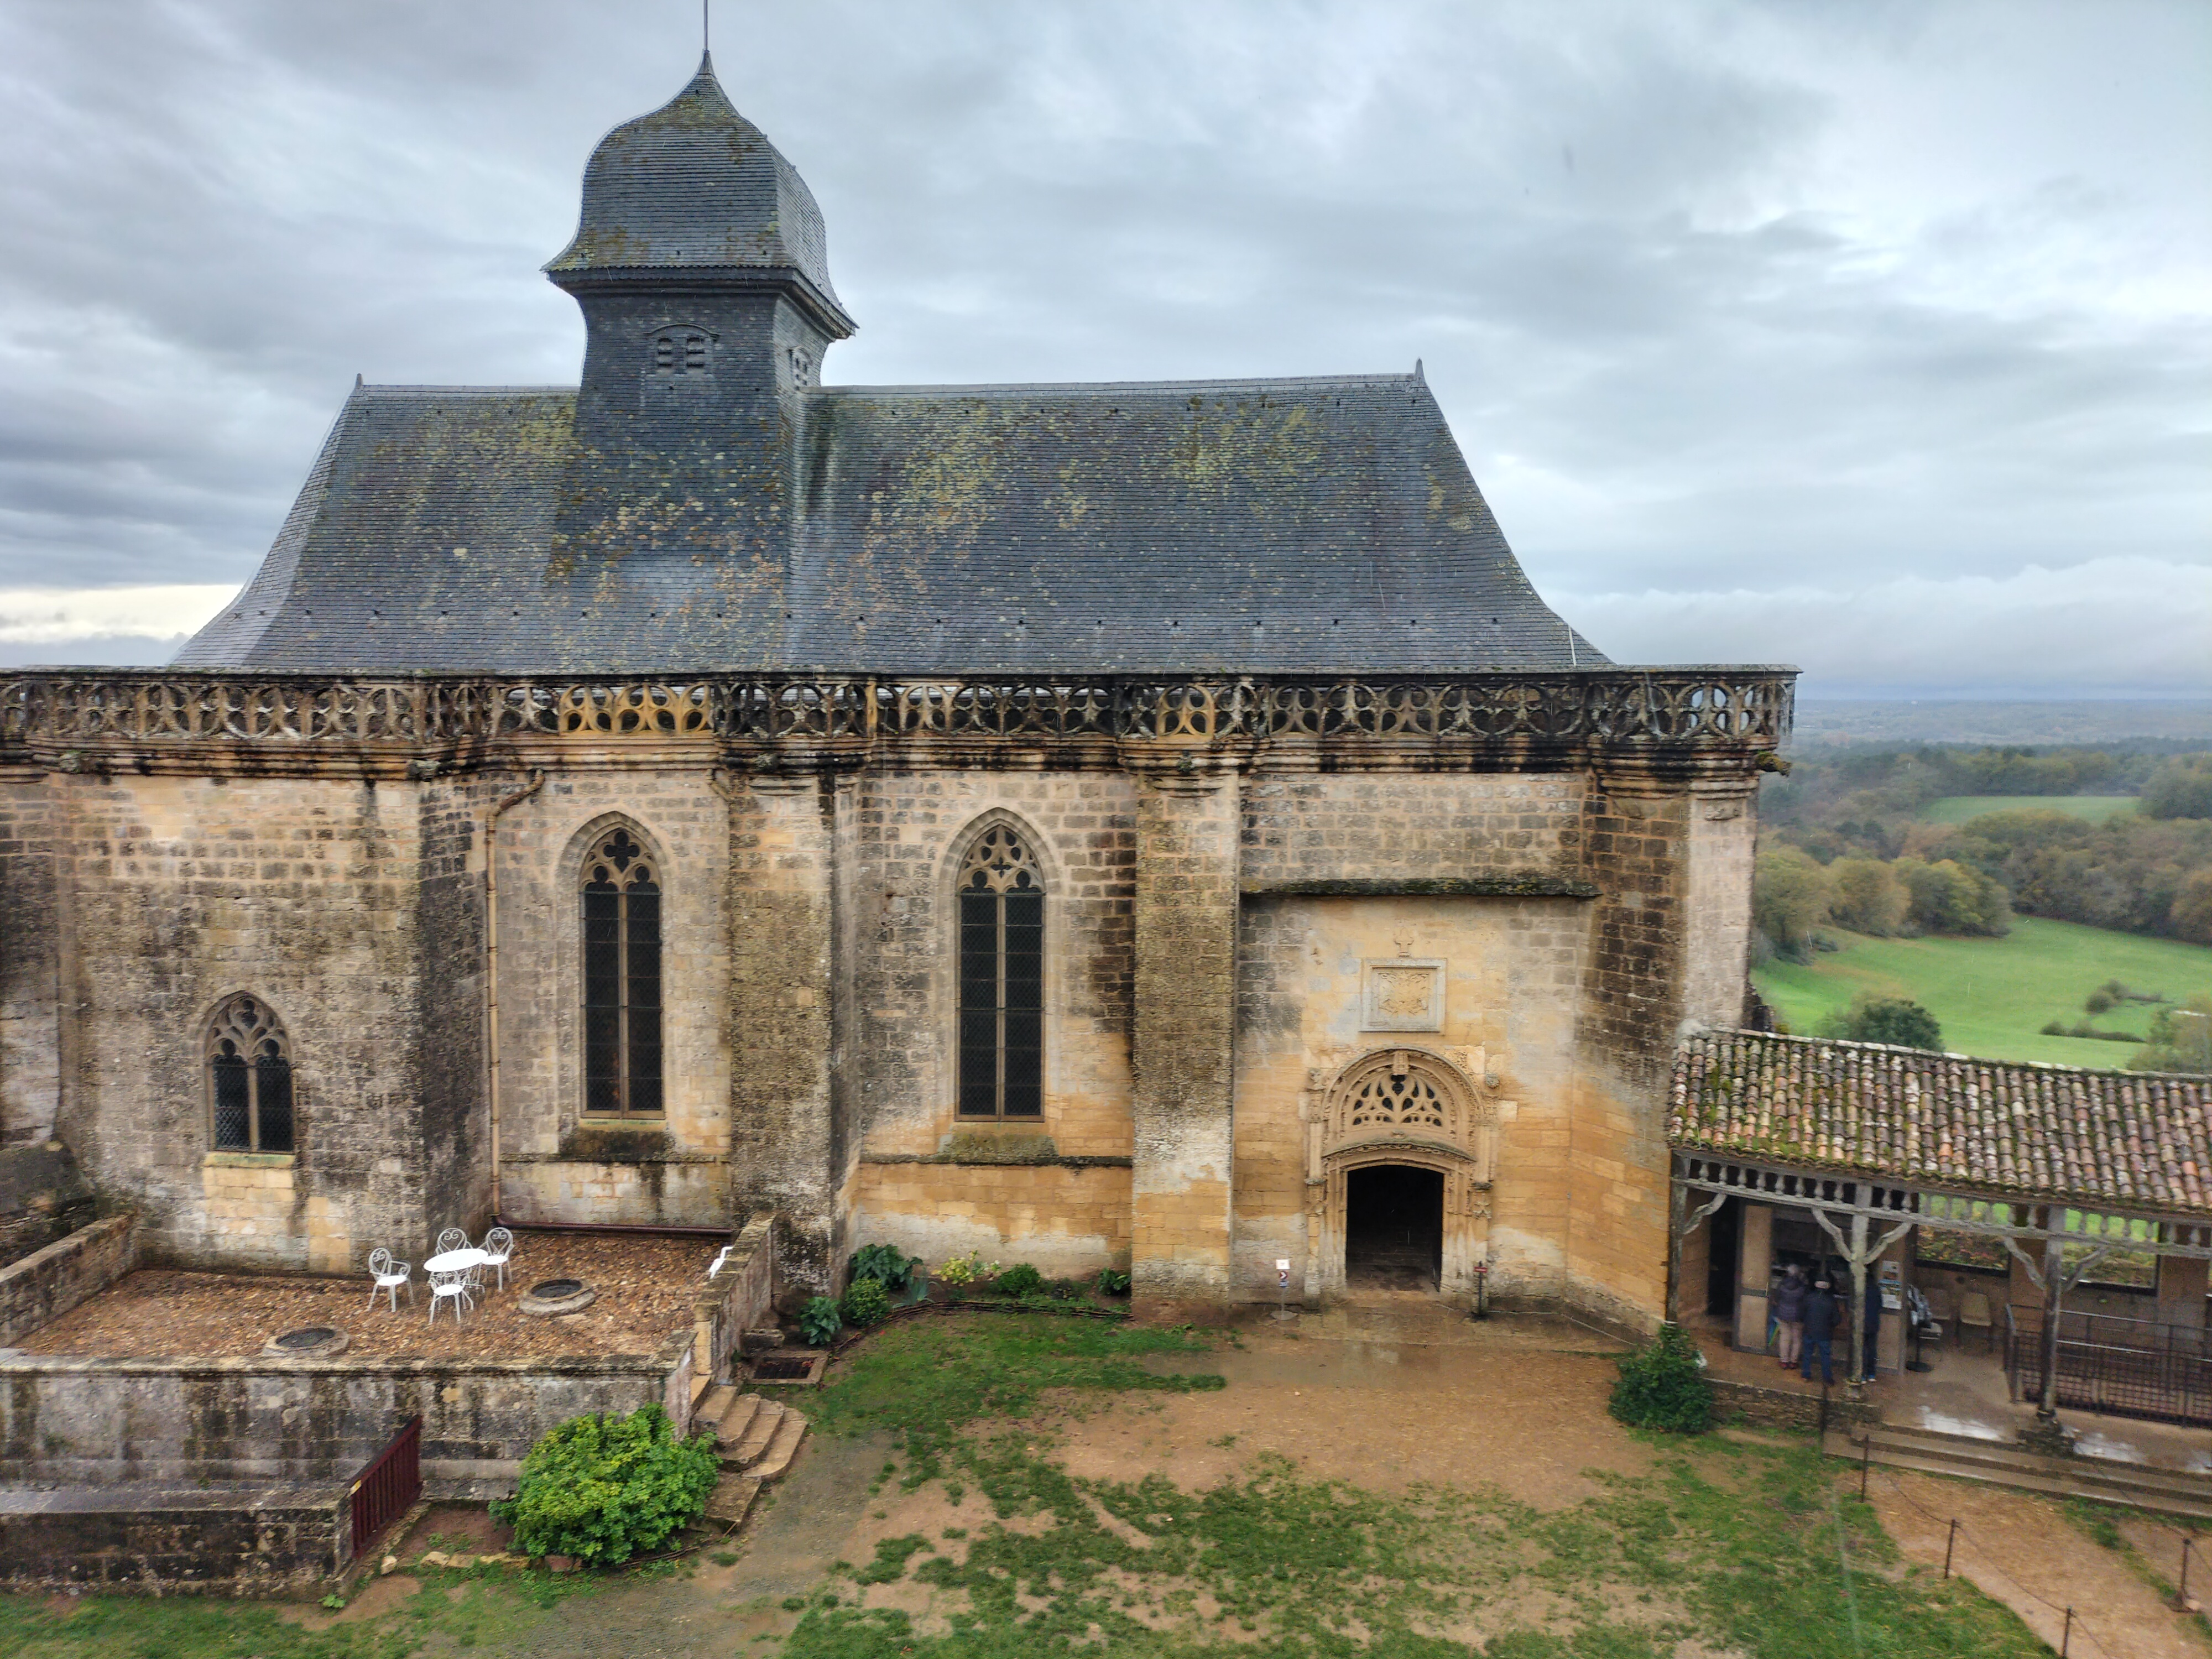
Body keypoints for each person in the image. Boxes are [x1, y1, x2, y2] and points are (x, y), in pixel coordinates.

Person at [1801, 1277, 1840, 1385]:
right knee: (1825, 1356)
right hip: (1825, 1333)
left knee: (1807, 1353)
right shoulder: (1831, 1301)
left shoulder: (1808, 1298)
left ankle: (1806, 1375)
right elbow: (1837, 1319)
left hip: (1809, 1331)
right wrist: (1830, 1326)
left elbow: (1802, 1313)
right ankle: (1827, 1378)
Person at [1771, 1262, 1809, 1370]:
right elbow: (1806, 1301)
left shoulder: (1782, 1285)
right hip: (1798, 1316)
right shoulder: (1803, 1287)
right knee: (1797, 1339)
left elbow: (1777, 1298)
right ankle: (1794, 1362)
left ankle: (1784, 1361)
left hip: (1783, 1314)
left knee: (1784, 1337)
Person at [1860, 1267, 1885, 1383]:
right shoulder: (1877, 1290)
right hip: (1874, 1323)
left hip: (1861, 1323)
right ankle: (1871, 1374)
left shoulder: (1860, 1290)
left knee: (1862, 1349)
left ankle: (1862, 1375)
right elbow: (1880, 1306)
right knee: (1872, 1349)